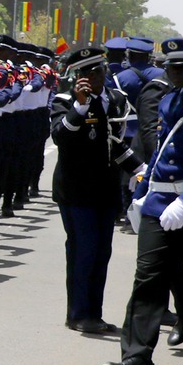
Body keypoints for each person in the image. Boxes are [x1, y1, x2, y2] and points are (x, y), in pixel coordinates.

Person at [105, 36, 183, 365]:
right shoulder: (170, 99)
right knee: (148, 278)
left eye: (180, 67)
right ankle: (137, 357)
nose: (172, 72)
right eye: (169, 66)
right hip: (160, 202)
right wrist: (142, 191)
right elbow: (160, 150)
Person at [51, 46, 131, 336]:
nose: (95, 77)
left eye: (98, 70)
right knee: (82, 250)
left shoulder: (116, 99)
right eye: (87, 72)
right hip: (75, 189)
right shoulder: (64, 101)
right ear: (77, 77)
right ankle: (77, 314)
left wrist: (139, 171)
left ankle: (94, 313)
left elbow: (117, 142)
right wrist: (80, 107)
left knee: (101, 252)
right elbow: (60, 136)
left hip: (106, 187)